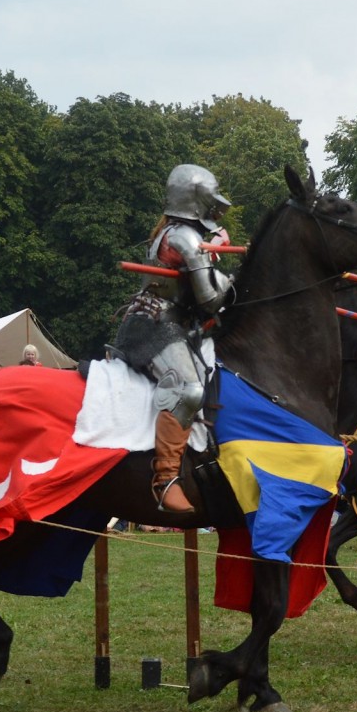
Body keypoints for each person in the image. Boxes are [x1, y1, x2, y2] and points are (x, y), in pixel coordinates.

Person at [113, 163, 235, 514]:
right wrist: (225, 275)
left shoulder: (182, 233)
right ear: (195, 200)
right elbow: (211, 300)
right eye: (209, 201)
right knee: (189, 389)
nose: (215, 209)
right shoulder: (184, 238)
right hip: (155, 324)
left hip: (176, 323)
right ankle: (165, 480)